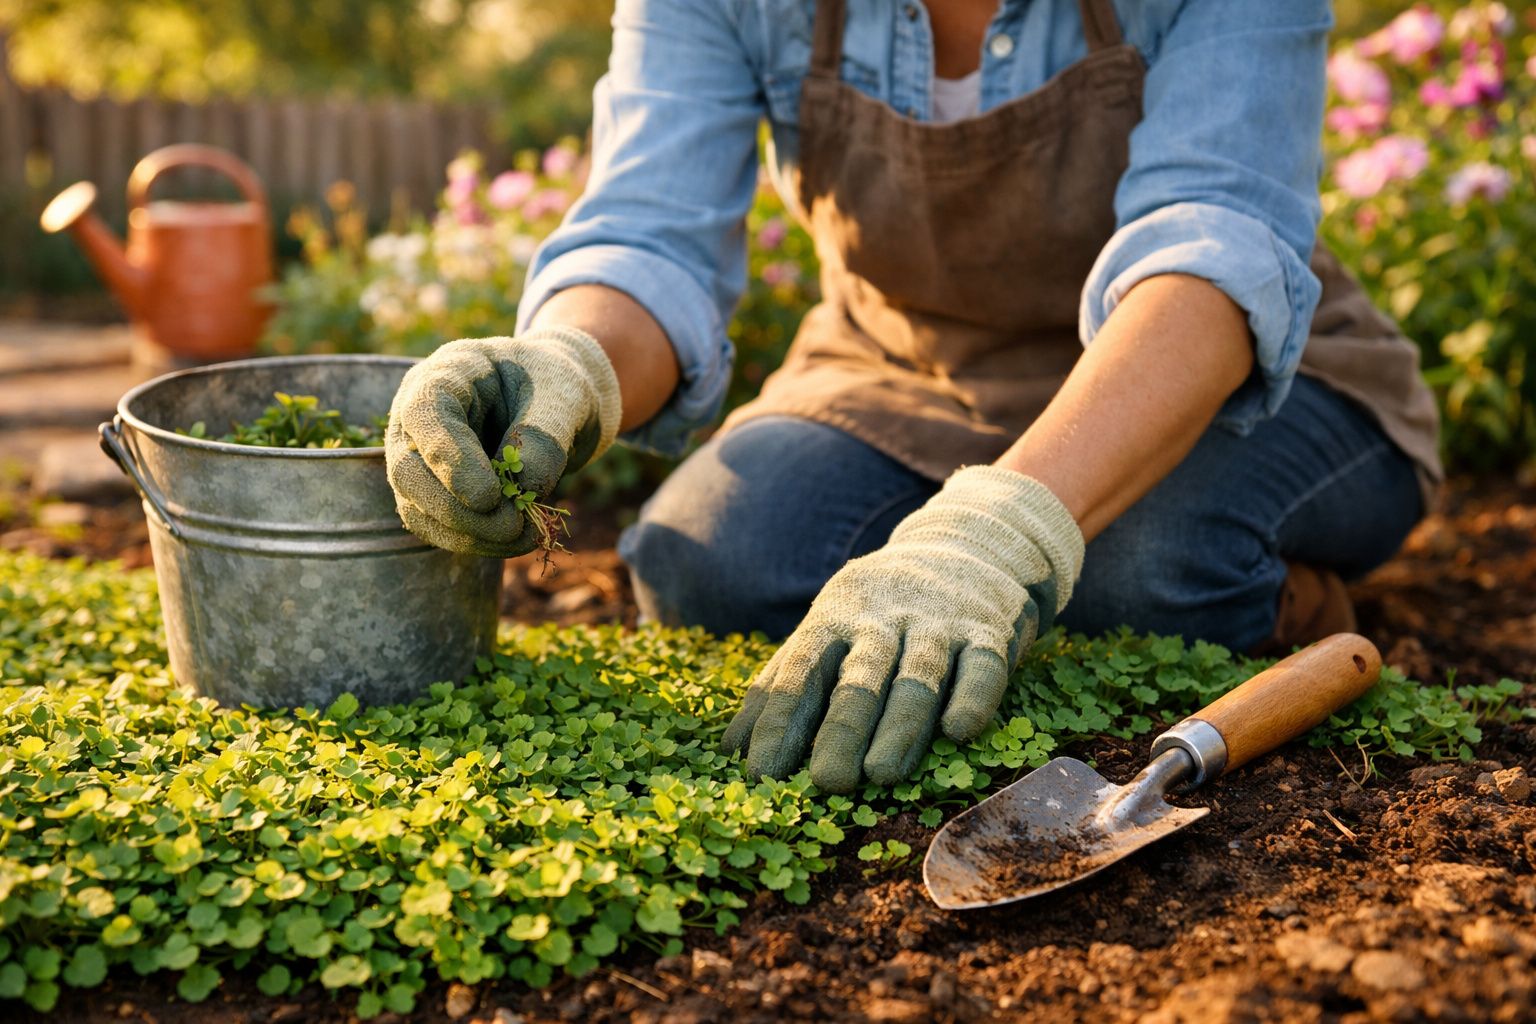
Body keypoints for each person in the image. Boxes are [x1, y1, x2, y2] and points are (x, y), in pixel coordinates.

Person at [384, 0, 1441, 794]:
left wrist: (992, 533)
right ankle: (989, 578)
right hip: (902, 367)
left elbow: (1215, 255)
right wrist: (569, 362)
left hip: (1205, 365)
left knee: (1141, 567)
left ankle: (1289, 596)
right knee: (708, 559)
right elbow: (651, 236)